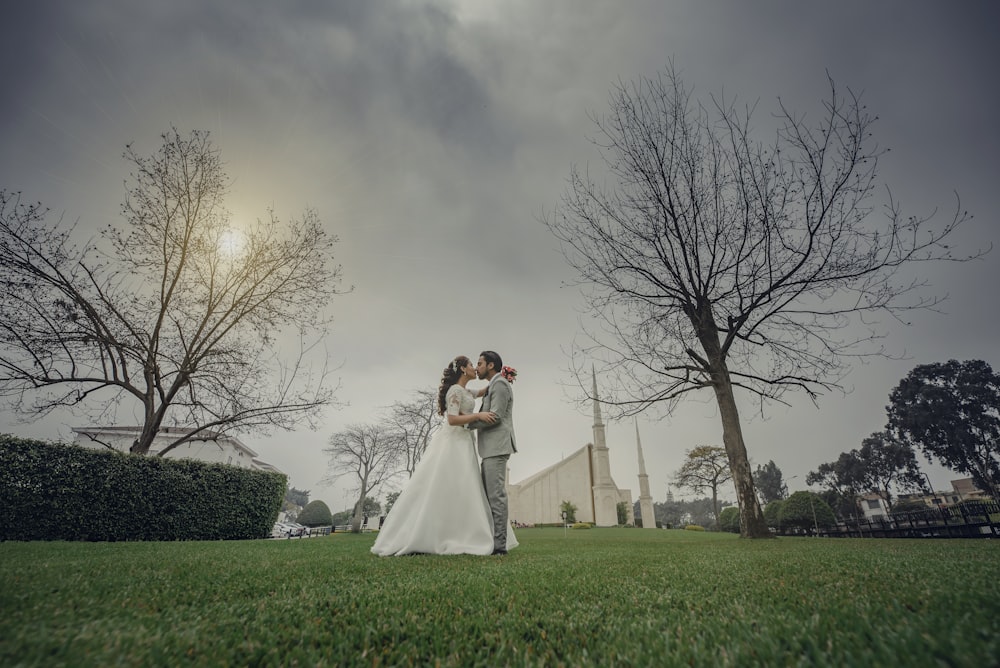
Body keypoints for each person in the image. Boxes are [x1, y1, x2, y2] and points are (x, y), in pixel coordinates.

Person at [371, 355, 519, 556]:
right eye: (471, 365)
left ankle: (470, 535)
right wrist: (476, 416)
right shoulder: (455, 391)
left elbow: (489, 391)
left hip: (468, 444)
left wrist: (504, 376)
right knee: (447, 485)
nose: (475, 368)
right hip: (455, 442)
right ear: (462, 370)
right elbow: (451, 419)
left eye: (479, 364)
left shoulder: (468, 391)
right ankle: (433, 534)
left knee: (466, 489)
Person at [466, 351, 517, 556]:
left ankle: (500, 547)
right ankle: (491, 541)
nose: (477, 367)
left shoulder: (500, 385)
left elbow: (495, 416)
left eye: (479, 363)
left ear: (491, 365)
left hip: (497, 447)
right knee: (489, 496)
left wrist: (466, 423)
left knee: (496, 496)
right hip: (489, 449)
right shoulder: (493, 385)